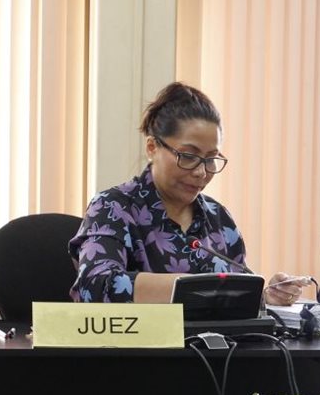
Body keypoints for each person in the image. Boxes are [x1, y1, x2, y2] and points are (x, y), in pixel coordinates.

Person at [69, 82, 305, 306]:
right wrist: (195, 290)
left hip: (215, 338)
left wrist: (263, 295)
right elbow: (95, 286)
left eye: (211, 159)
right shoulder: (113, 207)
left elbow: (236, 295)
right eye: (189, 156)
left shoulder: (220, 220)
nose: (201, 172)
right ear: (152, 147)